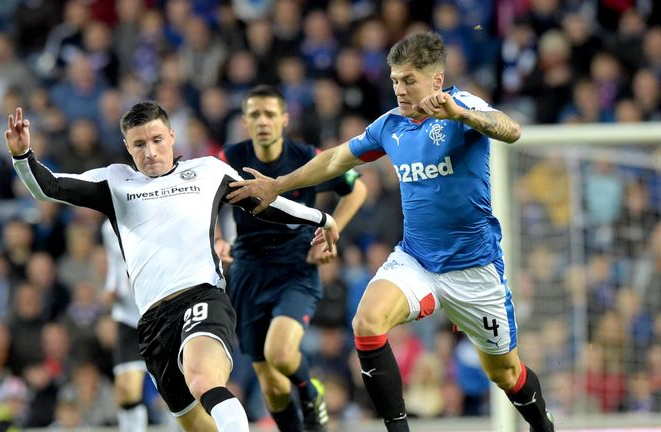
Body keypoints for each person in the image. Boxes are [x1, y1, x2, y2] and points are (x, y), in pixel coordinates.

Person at [227, 32, 555, 432]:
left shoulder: (463, 107)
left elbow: (511, 130)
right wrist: (278, 185)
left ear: (436, 81)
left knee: (505, 374)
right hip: (416, 259)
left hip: (475, 268)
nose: (399, 89)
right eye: (395, 80)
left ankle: (545, 427)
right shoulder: (390, 125)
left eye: (409, 80)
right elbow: (334, 160)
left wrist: (462, 115)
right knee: (366, 323)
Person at [5, 103, 339, 432]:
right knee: (194, 423)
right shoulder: (115, 183)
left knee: (202, 378)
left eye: (157, 140)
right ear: (127, 146)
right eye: (139, 144)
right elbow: (49, 187)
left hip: (202, 298)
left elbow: (264, 202)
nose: (150, 151)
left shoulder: (209, 171)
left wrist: (320, 218)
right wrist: (23, 156)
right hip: (152, 323)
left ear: (172, 135)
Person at [215, 85, 367, 432]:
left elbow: (357, 188)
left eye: (270, 114)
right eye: (255, 114)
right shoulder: (229, 159)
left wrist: (331, 234)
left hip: (296, 269)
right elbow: (205, 205)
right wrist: (219, 238)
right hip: (248, 272)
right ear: (245, 121)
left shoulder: (305, 156)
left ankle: (310, 392)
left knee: (281, 353)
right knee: (272, 386)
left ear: (284, 119)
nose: (263, 121)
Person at [100, 219, 148, 432]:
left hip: (162, 314)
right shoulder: (108, 227)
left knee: (177, 388)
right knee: (126, 388)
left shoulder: (159, 212)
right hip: (128, 317)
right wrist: (111, 287)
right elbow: (115, 264)